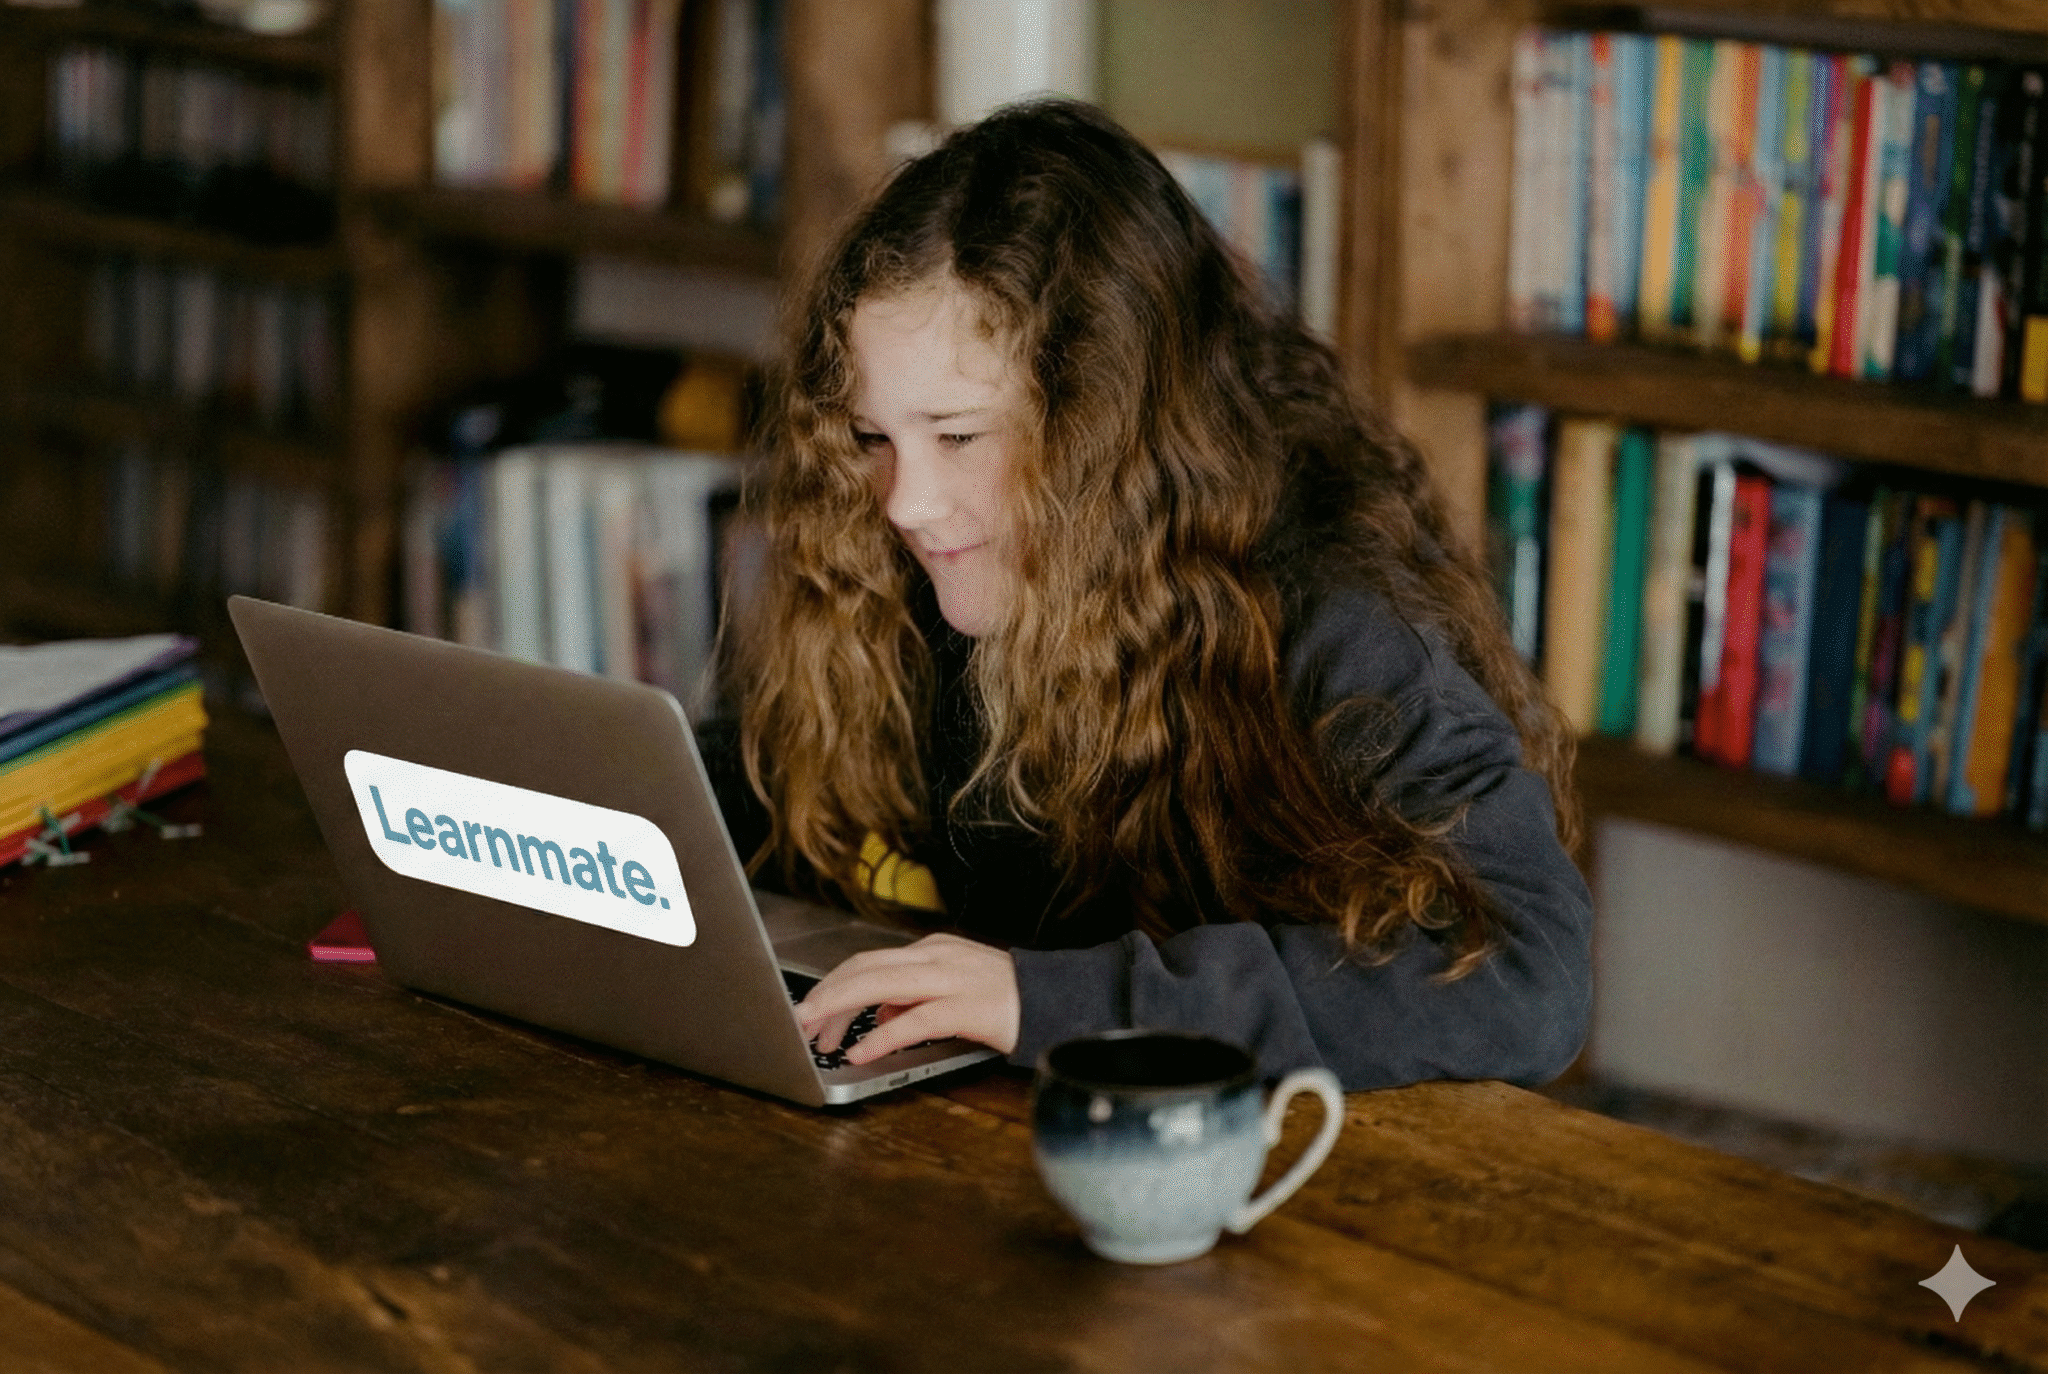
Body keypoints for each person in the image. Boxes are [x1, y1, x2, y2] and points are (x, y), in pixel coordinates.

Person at [698, 98, 1591, 1093]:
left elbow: (1526, 977)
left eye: (959, 437)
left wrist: (1045, 1000)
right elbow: (759, 786)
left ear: (1106, 429)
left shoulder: (1333, 610)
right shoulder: (921, 567)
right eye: (873, 439)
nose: (907, 503)